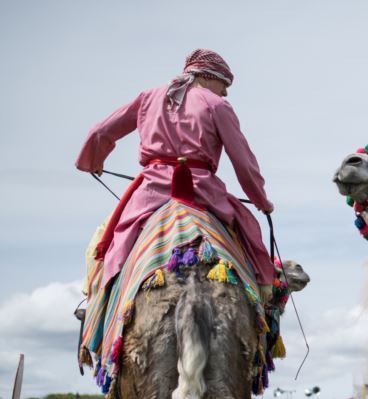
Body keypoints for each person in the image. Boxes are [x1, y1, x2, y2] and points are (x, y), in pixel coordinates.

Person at [76, 49, 275, 301]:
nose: (225, 92)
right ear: (207, 76)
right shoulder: (218, 105)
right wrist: (261, 201)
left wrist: (93, 161)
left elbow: (100, 131)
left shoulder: (148, 97)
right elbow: (243, 161)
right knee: (249, 233)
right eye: (224, 84)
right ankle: (265, 297)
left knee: (104, 243)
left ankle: (97, 303)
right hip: (203, 192)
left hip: (151, 191)